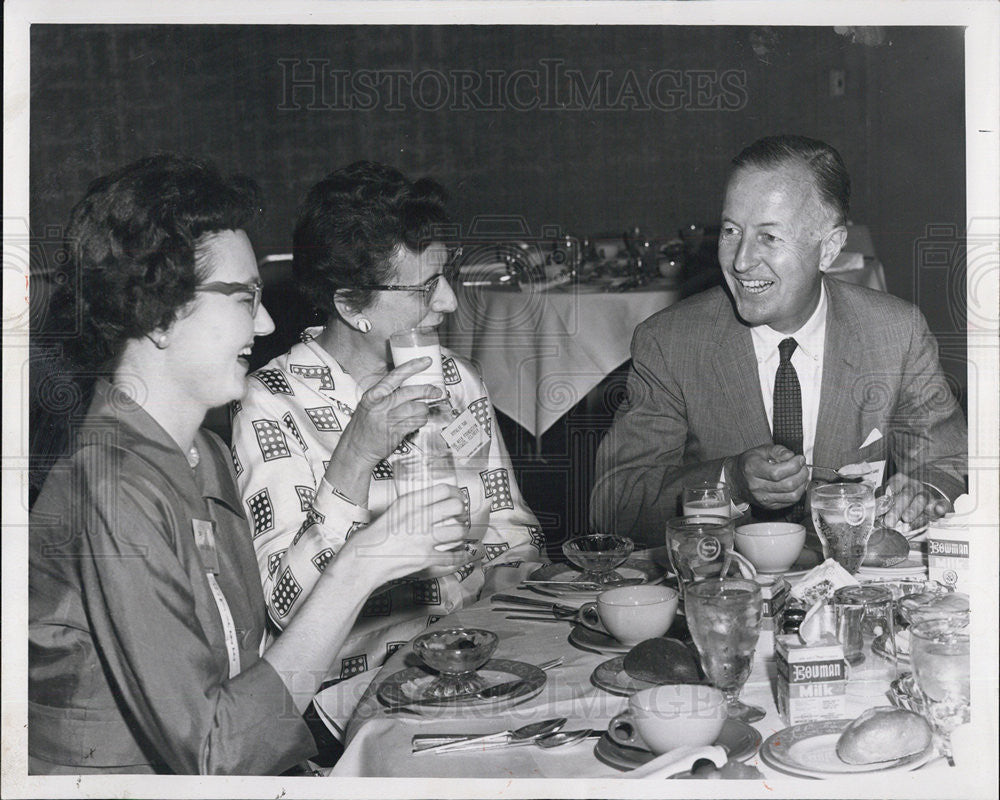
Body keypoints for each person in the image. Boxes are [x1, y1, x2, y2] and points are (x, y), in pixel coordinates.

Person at [28, 155, 471, 774]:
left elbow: (249, 661)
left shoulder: (201, 453)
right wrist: (361, 564)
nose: (264, 323)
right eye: (243, 298)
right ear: (158, 315)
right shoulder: (110, 485)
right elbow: (211, 753)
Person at [231, 162, 544, 695]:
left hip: (473, 658)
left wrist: (496, 600)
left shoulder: (453, 377)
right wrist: (353, 457)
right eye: (425, 288)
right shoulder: (270, 403)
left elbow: (515, 533)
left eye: (445, 276)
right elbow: (286, 607)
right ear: (352, 304)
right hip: (351, 688)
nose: (447, 301)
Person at [591, 135, 967, 546]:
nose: (740, 260)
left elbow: (948, 462)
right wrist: (730, 480)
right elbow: (614, 505)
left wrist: (925, 492)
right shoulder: (670, 342)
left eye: (769, 237)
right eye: (732, 230)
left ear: (829, 249)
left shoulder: (895, 332)